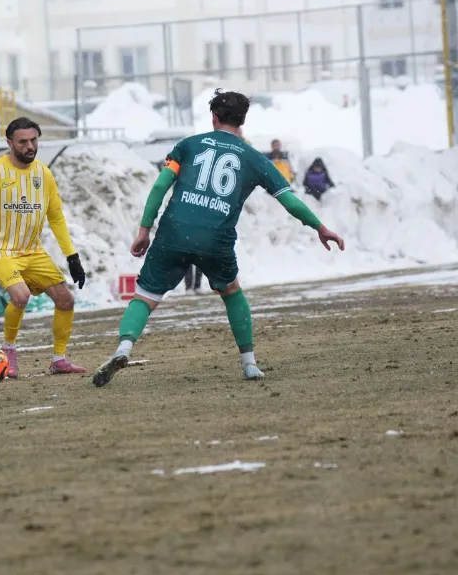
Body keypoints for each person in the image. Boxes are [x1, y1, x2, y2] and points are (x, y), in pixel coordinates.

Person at [91, 90, 345, 388]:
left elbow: (160, 186)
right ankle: (249, 364)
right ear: (243, 120)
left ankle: (123, 349)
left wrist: (144, 229)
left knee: (145, 297)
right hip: (215, 238)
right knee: (232, 292)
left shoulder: (188, 145)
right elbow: (288, 200)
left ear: (213, 117)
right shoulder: (255, 158)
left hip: (174, 232)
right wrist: (319, 227)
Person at [0, 117, 87, 378]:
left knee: (66, 300)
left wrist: (72, 257)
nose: (30, 146)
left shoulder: (44, 174)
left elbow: (56, 217)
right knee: (21, 296)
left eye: (34, 140)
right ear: (10, 143)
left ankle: (59, 359)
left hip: (32, 251)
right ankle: (9, 353)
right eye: (23, 142)